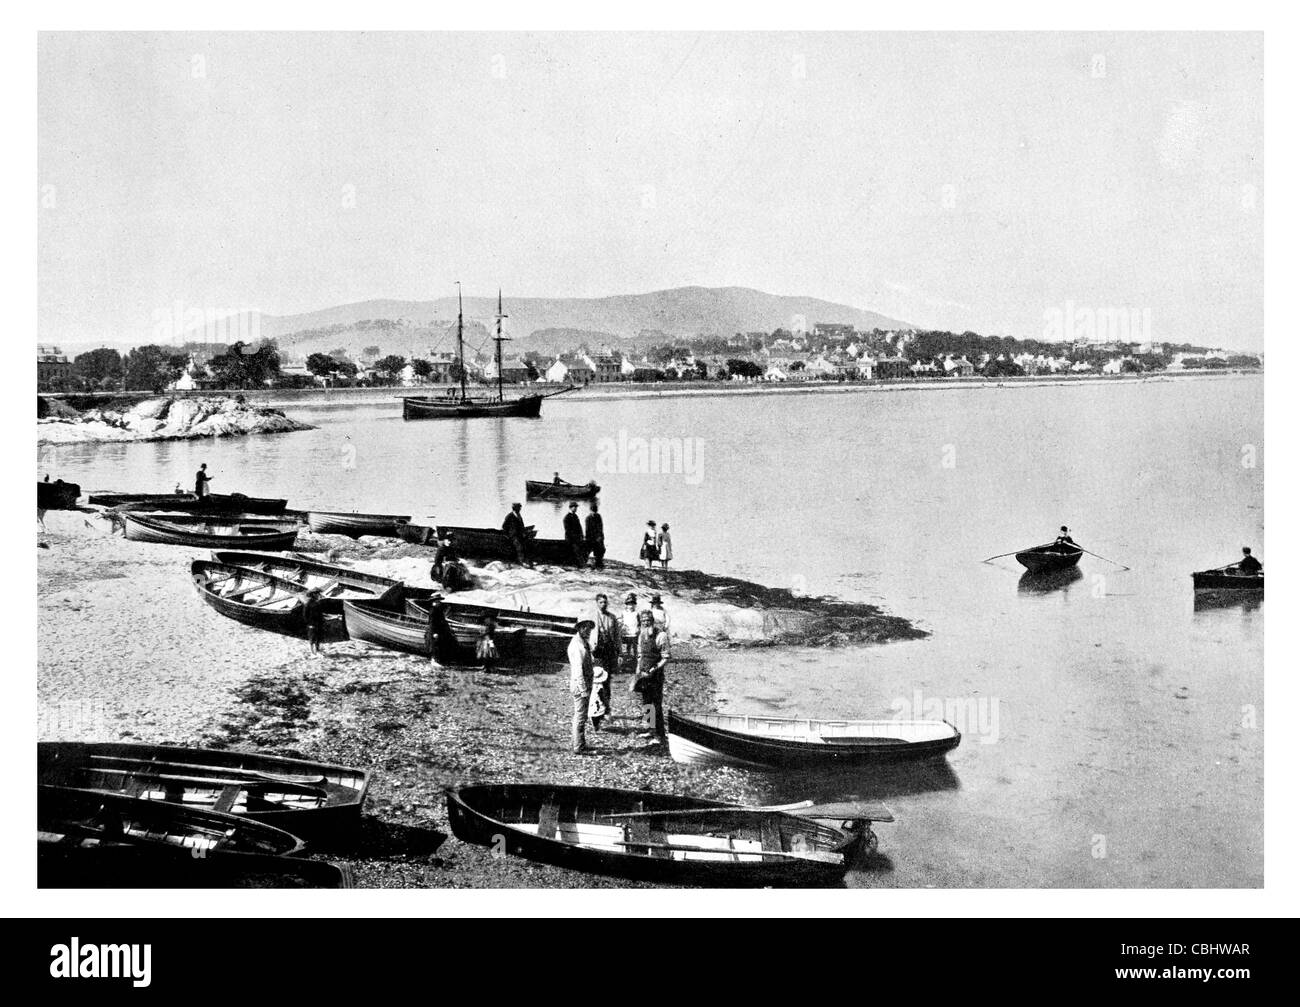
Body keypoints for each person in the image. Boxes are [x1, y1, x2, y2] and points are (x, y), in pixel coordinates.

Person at [629, 610, 670, 742]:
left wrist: (654, 669)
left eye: (648, 620)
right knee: (646, 703)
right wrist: (637, 672)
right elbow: (640, 655)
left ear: (652, 620)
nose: (646, 622)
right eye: (643, 621)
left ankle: (659, 735)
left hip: (655, 675)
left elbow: (665, 657)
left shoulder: (661, 635)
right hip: (643, 675)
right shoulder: (642, 635)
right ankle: (650, 730)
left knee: (656, 704)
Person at [590, 593, 621, 729]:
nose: (603, 604)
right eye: (601, 602)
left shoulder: (612, 618)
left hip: (609, 652)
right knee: (597, 681)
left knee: (607, 681)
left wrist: (619, 653)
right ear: (597, 603)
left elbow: (617, 636)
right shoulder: (591, 617)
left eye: (605, 602)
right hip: (596, 652)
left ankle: (606, 709)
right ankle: (595, 712)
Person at [568, 619, 597, 753]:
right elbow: (577, 671)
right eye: (585, 628)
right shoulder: (576, 646)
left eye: (590, 628)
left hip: (585, 683)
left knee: (582, 715)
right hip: (580, 685)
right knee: (580, 716)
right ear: (579, 628)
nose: (588, 631)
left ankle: (580, 743)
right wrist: (583, 689)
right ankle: (578, 747)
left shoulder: (584, 643)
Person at [424, 594, 455, 665]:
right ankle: (433, 660)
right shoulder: (433, 610)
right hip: (434, 630)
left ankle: (440, 660)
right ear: (433, 602)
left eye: (439, 601)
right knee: (434, 645)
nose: (439, 602)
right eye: (437, 601)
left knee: (440, 645)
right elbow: (432, 623)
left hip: (440, 630)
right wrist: (434, 633)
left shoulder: (438, 609)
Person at [502, 502, 531, 567]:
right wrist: (507, 535)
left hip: (519, 535)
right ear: (515, 508)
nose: (520, 509)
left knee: (526, 545)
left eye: (520, 508)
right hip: (513, 535)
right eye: (519, 507)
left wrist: (524, 533)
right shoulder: (510, 516)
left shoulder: (519, 515)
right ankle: (521, 561)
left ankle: (527, 561)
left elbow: (522, 526)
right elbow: (504, 526)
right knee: (519, 547)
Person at [619, 592, 640, 676]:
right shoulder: (623, 613)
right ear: (626, 605)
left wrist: (638, 630)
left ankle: (635, 663)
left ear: (635, 605)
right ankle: (626, 662)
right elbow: (621, 621)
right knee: (626, 648)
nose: (630, 606)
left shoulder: (636, 613)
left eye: (632, 604)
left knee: (634, 648)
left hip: (634, 633)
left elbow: (639, 623)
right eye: (629, 604)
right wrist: (622, 627)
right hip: (626, 633)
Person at [301, 587, 325, 654]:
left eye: (318, 594)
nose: (318, 595)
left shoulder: (317, 603)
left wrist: (322, 621)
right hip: (312, 623)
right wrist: (309, 624)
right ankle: (312, 652)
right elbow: (305, 615)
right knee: (312, 638)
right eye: (317, 594)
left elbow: (320, 614)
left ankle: (317, 650)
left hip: (318, 622)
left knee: (318, 637)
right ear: (313, 594)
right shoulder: (308, 603)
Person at [563, 502, 585, 566]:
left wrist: (581, 535)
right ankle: (578, 564)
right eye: (574, 507)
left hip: (576, 538)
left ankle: (578, 562)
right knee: (575, 550)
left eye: (576, 507)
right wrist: (575, 537)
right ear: (570, 508)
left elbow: (579, 527)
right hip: (570, 539)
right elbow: (568, 530)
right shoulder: (567, 517)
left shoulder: (575, 516)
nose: (576, 508)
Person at [584, 501, 605, 569]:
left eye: (595, 511)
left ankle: (599, 562)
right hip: (591, 538)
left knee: (601, 550)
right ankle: (586, 562)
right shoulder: (588, 518)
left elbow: (600, 527)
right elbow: (587, 530)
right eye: (593, 511)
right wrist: (588, 538)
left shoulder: (598, 516)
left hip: (598, 537)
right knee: (589, 551)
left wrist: (601, 536)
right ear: (591, 511)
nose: (594, 513)